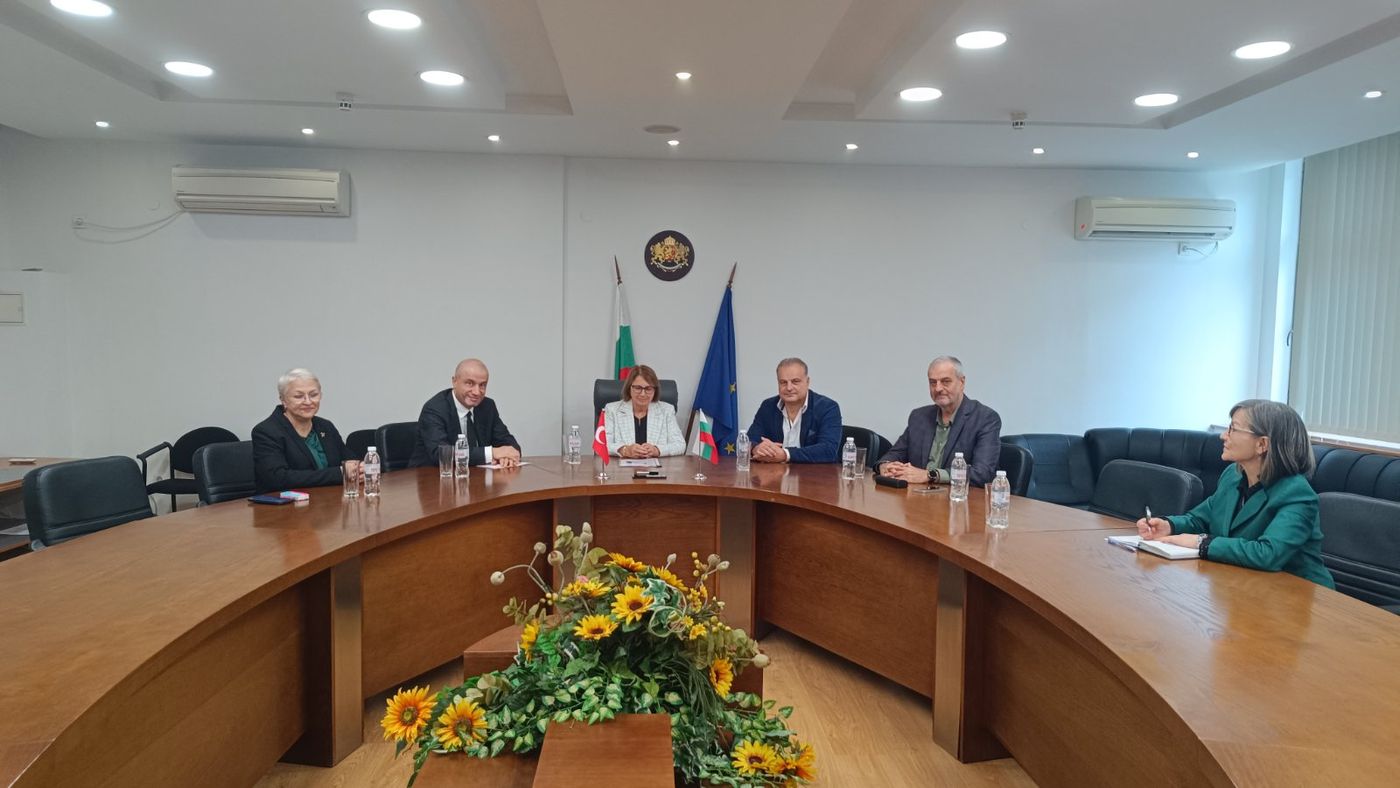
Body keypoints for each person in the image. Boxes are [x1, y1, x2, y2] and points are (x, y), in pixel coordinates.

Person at [1136, 400, 1335, 587]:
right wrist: (1168, 526)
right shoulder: (1233, 475)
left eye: (1233, 429)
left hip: (1299, 596)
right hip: (1247, 585)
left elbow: (1268, 554)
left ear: (1262, 444)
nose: (1223, 436)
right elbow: (1200, 519)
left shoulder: (1297, 494)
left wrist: (1202, 543)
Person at [877, 356, 1001, 486]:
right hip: (917, 494)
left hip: (957, 496)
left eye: (945, 381)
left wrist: (930, 475)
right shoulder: (918, 416)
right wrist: (885, 465)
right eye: (933, 382)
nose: (938, 388)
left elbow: (982, 473)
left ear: (962, 382)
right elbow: (896, 453)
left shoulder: (985, 419)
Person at [252, 368, 357, 494]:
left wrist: (359, 469)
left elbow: (350, 461)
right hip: (286, 503)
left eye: (313, 395)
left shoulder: (326, 426)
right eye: (298, 396)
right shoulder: (266, 431)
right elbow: (278, 478)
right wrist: (339, 473)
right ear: (283, 399)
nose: (308, 401)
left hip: (329, 500)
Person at [409, 358, 522, 469]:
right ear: (454, 382)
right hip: (431, 476)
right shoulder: (435, 409)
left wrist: (507, 456)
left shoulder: (487, 406)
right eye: (469, 383)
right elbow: (442, 454)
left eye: (482, 385)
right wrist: (492, 453)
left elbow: (510, 445)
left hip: (475, 476)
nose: (477, 392)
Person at [744, 357, 842, 463]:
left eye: (795, 381)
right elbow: (749, 441)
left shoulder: (827, 407)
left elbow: (828, 450)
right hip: (775, 472)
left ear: (807, 382)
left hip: (815, 472)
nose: (789, 388)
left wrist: (785, 454)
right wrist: (756, 448)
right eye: (783, 382)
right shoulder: (768, 406)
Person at [604, 364, 686, 457]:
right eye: (638, 388)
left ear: (655, 390)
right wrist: (625, 450)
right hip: (622, 466)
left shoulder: (666, 410)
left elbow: (680, 445)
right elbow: (602, 444)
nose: (643, 394)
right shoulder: (612, 410)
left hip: (657, 466)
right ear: (629, 388)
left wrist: (657, 450)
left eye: (648, 389)